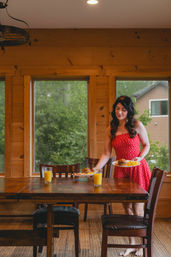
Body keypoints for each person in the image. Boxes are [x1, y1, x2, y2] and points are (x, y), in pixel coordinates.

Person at [93, 95, 151, 257]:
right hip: (121, 170)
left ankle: (140, 246)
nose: (120, 112)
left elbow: (147, 145)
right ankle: (132, 244)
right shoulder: (110, 129)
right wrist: (96, 168)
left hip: (137, 168)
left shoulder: (137, 125)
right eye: (117, 109)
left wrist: (140, 157)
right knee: (126, 207)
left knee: (138, 207)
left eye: (123, 109)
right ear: (114, 110)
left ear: (128, 111)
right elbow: (106, 153)